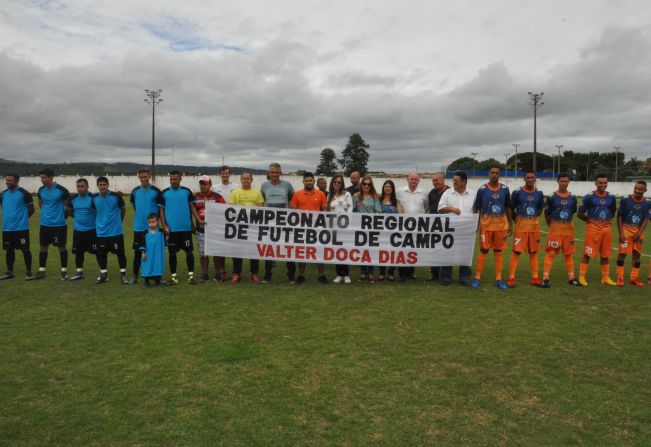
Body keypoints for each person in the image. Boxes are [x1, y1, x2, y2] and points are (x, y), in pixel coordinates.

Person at [472, 166, 512, 290]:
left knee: (498, 252)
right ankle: (477, 277)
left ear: (499, 175)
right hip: (486, 226)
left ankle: (499, 279)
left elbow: (508, 207)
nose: (494, 174)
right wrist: (476, 225)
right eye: (492, 172)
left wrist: (510, 224)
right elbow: (477, 208)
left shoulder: (505, 189)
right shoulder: (482, 190)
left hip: (500, 227)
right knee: (484, 251)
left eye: (496, 173)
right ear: (489, 174)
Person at [159, 170, 202, 285]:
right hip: (172, 230)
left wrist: (198, 220)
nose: (173, 181)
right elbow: (161, 210)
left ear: (180, 179)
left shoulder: (187, 192)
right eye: (171, 179)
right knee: (172, 254)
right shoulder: (164, 193)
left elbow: (192, 208)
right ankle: (174, 277)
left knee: (189, 253)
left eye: (175, 179)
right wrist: (164, 226)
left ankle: (191, 276)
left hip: (186, 229)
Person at [507, 170, 545, 287]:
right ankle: (511, 278)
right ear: (524, 178)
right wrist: (517, 219)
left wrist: (533, 217)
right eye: (528, 177)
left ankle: (535, 278)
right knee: (516, 252)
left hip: (534, 228)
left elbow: (540, 209)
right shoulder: (517, 192)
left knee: (533, 252)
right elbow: (510, 208)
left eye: (532, 177)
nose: (530, 179)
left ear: (535, 179)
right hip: (521, 227)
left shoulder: (539, 193)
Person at [577, 174, 617, 286]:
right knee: (587, 253)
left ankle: (605, 277)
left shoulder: (611, 197)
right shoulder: (589, 197)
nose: (603, 185)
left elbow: (613, 211)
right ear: (596, 183)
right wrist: (590, 221)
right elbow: (580, 213)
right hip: (593, 229)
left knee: (605, 254)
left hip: (606, 229)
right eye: (600, 183)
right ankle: (581, 277)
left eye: (605, 183)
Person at [541, 173, 580, 288]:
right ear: (557, 182)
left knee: (568, 254)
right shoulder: (552, 197)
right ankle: (545, 278)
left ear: (569, 182)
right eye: (562, 181)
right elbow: (547, 214)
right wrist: (552, 226)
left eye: (566, 181)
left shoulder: (573, 198)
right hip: (555, 228)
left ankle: (571, 278)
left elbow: (572, 213)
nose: (564, 183)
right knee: (551, 252)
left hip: (568, 229)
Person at [438, 171, 476, 286]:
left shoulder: (473, 194)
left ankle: (465, 277)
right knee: (447, 252)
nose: (454, 183)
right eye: (453, 180)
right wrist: (452, 209)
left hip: (466, 230)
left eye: (456, 181)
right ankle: (445, 277)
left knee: (465, 253)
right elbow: (440, 208)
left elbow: (477, 210)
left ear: (464, 182)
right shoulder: (447, 193)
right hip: (450, 228)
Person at [290, 172, 328, 284]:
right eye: (306, 181)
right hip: (302, 228)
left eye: (310, 180)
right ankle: (301, 275)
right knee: (301, 252)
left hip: (317, 228)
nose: (308, 182)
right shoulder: (297, 194)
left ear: (314, 182)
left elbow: (324, 210)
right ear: (303, 182)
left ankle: (322, 275)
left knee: (318, 251)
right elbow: (293, 211)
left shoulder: (321, 194)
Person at [260, 163, 295, 283]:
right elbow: (263, 200)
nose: (274, 174)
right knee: (268, 249)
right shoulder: (264, 186)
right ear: (269, 174)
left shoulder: (287, 185)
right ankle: (267, 275)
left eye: (277, 172)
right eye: (272, 172)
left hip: (285, 222)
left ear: (280, 173)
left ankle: (291, 275)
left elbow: (292, 198)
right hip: (270, 223)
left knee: (288, 248)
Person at [228, 171, 265, 284]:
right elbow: (231, 209)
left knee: (254, 251)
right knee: (237, 251)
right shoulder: (235, 192)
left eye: (248, 179)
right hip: (239, 227)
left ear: (251, 180)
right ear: (241, 179)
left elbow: (261, 209)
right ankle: (236, 274)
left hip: (253, 227)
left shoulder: (257, 193)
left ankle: (254, 274)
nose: (245, 180)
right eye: (244, 178)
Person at [35, 168, 71, 280]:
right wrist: (46, 216)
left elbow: (68, 206)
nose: (42, 180)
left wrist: (61, 217)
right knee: (43, 246)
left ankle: (64, 271)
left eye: (44, 177)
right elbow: (41, 204)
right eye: (41, 178)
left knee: (61, 247)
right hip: (45, 224)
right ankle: (41, 270)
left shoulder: (62, 190)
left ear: (51, 177)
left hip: (59, 225)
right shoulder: (41, 190)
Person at [128, 167, 161, 285]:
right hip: (139, 228)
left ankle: (156, 276)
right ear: (138, 177)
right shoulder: (135, 191)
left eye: (145, 177)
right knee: (138, 253)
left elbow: (160, 209)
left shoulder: (156, 191)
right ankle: (135, 276)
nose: (143, 179)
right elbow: (135, 207)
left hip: (152, 228)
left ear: (149, 177)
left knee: (154, 252)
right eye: (141, 177)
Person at [92, 177, 128, 284]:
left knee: (120, 253)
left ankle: (123, 275)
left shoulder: (116, 196)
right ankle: (104, 274)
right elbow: (94, 211)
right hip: (101, 232)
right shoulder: (93, 198)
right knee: (101, 254)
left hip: (115, 232)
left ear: (108, 185)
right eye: (100, 185)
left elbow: (123, 209)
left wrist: (119, 222)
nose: (102, 186)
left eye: (104, 184)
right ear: (97, 186)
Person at [0, 173, 35, 280]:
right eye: (7, 180)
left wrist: (22, 219)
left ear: (17, 181)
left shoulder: (24, 193)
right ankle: (9, 272)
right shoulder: (3, 194)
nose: (7, 183)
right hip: (7, 228)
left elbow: (31, 209)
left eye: (10, 180)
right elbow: (4, 208)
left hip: (21, 229)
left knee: (25, 250)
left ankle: (28, 272)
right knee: (9, 250)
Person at [615, 181, 650, 287]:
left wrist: (640, 233)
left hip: (638, 232)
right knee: (622, 254)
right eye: (636, 188)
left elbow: (646, 219)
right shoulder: (625, 200)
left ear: (645, 190)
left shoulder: (648, 203)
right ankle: (620, 278)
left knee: (637, 255)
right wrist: (621, 233)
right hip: (626, 230)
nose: (637, 191)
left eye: (640, 189)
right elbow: (619, 216)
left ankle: (634, 278)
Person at [396, 172, 429, 281]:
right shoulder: (399, 192)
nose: (413, 181)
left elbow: (426, 207)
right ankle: (403, 274)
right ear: (407, 180)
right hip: (404, 226)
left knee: (414, 250)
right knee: (403, 249)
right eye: (412, 179)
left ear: (418, 181)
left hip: (418, 226)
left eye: (416, 180)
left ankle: (411, 272)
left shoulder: (424, 193)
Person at [194, 175, 225, 282]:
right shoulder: (195, 196)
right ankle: (204, 274)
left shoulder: (217, 197)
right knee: (203, 254)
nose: (203, 186)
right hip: (201, 230)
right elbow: (190, 211)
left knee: (216, 252)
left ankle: (217, 273)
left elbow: (224, 212)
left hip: (215, 230)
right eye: (201, 184)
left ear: (210, 185)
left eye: (205, 184)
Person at [67, 178, 99, 281]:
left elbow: (99, 212)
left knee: (98, 251)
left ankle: (103, 271)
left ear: (87, 187)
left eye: (82, 186)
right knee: (78, 252)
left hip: (92, 230)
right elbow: (69, 210)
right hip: (78, 231)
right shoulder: (73, 199)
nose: (80, 188)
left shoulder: (93, 198)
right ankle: (79, 272)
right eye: (78, 186)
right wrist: (76, 217)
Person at [212, 165, 239, 281]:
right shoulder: (215, 187)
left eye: (227, 173)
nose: (225, 175)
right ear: (220, 174)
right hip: (220, 221)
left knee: (234, 247)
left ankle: (235, 271)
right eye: (223, 173)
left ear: (230, 174)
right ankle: (222, 271)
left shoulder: (236, 187)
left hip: (234, 221)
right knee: (220, 247)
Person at [353, 175, 381, 282]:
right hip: (359, 227)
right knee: (362, 250)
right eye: (364, 184)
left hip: (372, 227)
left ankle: (371, 272)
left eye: (369, 184)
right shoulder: (356, 196)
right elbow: (353, 211)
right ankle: (363, 272)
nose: (366, 186)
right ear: (361, 185)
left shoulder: (375, 197)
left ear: (371, 186)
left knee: (372, 250)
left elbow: (378, 212)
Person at [327, 175, 353, 284]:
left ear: (342, 184)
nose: (337, 184)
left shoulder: (347, 194)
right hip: (333, 228)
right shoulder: (329, 196)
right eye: (335, 182)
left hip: (345, 227)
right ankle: (338, 274)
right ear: (332, 183)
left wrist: (346, 225)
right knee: (336, 250)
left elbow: (350, 211)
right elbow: (327, 212)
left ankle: (346, 274)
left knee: (345, 250)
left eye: (339, 182)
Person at [378, 180, 403, 281]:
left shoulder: (396, 201)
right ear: (383, 188)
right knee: (382, 251)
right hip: (381, 231)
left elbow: (401, 214)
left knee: (393, 251)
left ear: (392, 189)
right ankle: (382, 272)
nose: (387, 188)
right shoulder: (379, 199)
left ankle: (391, 272)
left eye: (390, 187)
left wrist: (400, 207)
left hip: (393, 231)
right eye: (386, 186)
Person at [428, 172, 449, 281]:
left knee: (445, 249)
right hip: (434, 226)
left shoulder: (450, 192)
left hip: (446, 226)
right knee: (434, 249)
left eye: (437, 180)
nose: (435, 183)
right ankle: (434, 272)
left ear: (443, 180)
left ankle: (444, 273)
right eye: (433, 181)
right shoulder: (431, 193)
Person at [139, 213, 167, 287]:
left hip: (158, 254)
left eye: (153, 222)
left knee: (157, 266)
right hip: (148, 254)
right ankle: (146, 282)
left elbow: (165, 240)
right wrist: (143, 253)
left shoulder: (161, 232)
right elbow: (142, 243)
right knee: (147, 266)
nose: (151, 224)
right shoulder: (145, 232)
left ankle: (158, 281)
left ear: (158, 222)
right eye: (149, 222)